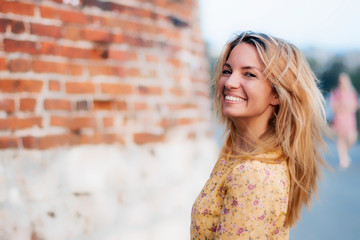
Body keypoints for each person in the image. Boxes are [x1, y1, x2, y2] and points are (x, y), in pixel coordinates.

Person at [190, 31, 329, 239]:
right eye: (227, 71)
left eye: (249, 74)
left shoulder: (253, 174)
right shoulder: (236, 154)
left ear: (277, 94)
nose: (229, 82)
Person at [330, 73, 358, 169]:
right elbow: (333, 105)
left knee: (352, 137)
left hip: (350, 118)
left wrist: (349, 105)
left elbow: (355, 105)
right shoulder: (335, 92)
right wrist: (340, 105)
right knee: (341, 138)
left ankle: (344, 152)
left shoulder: (352, 92)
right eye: (341, 81)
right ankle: (343, 157)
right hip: (340, 117)